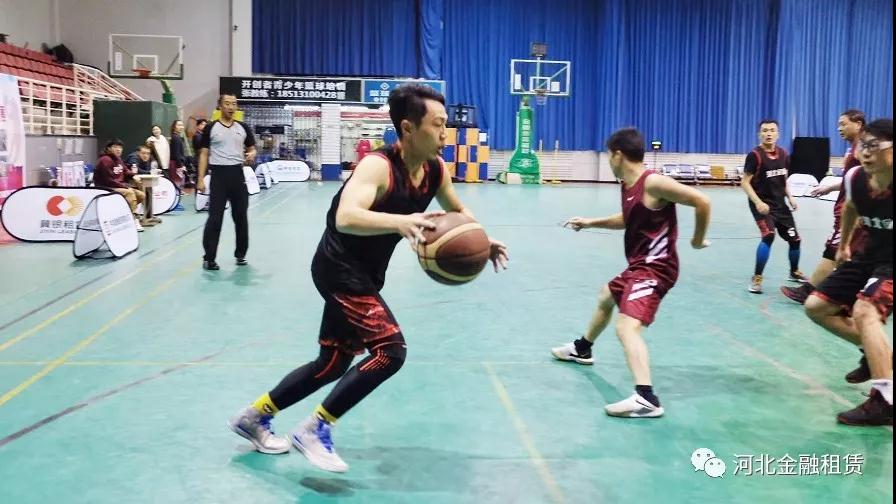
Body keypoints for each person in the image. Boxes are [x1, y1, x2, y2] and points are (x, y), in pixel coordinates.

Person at [227, 85, 509, 471]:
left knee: (332, 363)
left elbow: (459, 212)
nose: (446, 133)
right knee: (391, 352)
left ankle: (254, 417)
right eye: (437, 124)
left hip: (368, 274)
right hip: (338, 269)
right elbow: (346, 217)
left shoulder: (435, 170)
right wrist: (401, 222)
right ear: (408, 128)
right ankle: (315, 428)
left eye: (446, 124)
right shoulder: (378, 166)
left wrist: (479, 239)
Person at [550, 127, 711, 418]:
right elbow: (628, 218)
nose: (608, 161)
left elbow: (702, 201)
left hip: (656, 269)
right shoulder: (628, 184)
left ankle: (647, 399)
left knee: (626, 327)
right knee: (606, 296)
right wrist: (589, 222)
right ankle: (582, 349)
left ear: (617, 154)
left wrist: (697, 241)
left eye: (608, 155)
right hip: (639, 266)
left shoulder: (653, 182)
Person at [804, 118, 893, 426]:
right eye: (862, 145)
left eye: (874, 146)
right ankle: (875, 353)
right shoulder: (855, 178)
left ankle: (886, 401)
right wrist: (843, 245)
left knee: (865, 311)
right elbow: (852, 207)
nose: (865, 152)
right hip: (868, 255)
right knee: (816, 307)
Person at [782, 110, 866, 304]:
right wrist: (830, 187)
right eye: (838, 124)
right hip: (847, 209)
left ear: (858, 124)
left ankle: (809, 291)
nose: (839, 128)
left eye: (843, 124)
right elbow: (852, 179)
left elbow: (869, 179)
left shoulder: (863, 149)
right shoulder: (853, 149)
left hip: (851, 212)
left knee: (833, 250)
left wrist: (862, 209)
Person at [740, 119, 806, 294]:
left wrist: (790, 197)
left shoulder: (784, 155)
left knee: (795, 240)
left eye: (772, 130)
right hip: (762, 205)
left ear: (778, 134)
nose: (768, 133)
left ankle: (794, 272)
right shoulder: (755, 155)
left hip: (780, 204)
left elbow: (783, 179)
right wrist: (758, 202)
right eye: (764, 130)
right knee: (768, 235)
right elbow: (745, 182)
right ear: (759, 134)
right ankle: (757, 278)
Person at [197, 94, 256, 270]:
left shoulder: (243, 127)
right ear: (220, 106)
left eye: (234, 104)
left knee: (241, 217)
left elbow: (252, 148)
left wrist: (252, 154)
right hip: (218, 176)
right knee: (215, 219)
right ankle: (209, 258)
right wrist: (200, 179)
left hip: (237, 175)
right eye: (227, 104)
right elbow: (204, 154)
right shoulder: (211, 127)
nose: (231, 107)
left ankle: (241, 254)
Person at [93, 139, 148, 231]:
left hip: (118, 186)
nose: (118, 149)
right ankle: (134, 219)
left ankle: (126, 215)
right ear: (109, 148)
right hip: (106, 187)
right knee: (130, 193)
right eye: (115, 147)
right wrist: (126, 187)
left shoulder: (118, 159)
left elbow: (126, 170)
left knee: (141, 195)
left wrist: (134, 176)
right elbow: (108, 180)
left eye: (120, 147)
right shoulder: (105, 160)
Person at [125, 144, 161, 224]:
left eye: (148, 153)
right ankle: (141, 217)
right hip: (128, 182)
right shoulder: (133, 157)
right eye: (143, 153)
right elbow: (135, 170)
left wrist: (150, 172)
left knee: (149, 189)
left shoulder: (148, 158)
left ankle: (149, 215)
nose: (146, 155)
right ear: (138, 153)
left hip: (139, 180)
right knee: (145, 191)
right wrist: (149, 172)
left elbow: (148, 169)